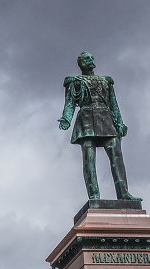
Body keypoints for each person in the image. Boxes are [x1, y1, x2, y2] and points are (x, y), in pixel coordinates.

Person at [58, 50, 135, 201]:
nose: (90, 60)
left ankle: (124, 193)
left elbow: (114, 104)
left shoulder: (106, 81)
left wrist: (120, 123)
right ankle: (94, 196)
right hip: (86, 118)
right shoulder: (75, 82)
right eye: (87, 58)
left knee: (117, 156)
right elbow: (70, 103)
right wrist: (66, 119)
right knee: (89, 159)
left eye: (92, 58)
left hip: (106, 118)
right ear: (81, 63)